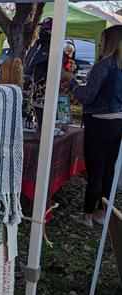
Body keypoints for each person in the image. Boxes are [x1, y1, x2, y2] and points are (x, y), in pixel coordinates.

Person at [63, 25, 122, 227]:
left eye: (103, 40)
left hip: (99, 123)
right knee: (108, 169)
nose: (100, 44)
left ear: (111, 42)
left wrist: (72, 82)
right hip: (118, 123)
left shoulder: (104, 65)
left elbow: (86, 96)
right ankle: (101, 212)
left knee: (95, 170)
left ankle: (87, 215)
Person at [24, 17, 53, 91]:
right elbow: (28, 63)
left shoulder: (52, 47)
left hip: (40, 87)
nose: (43, 31)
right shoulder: (37, 44)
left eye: (47, 30)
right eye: (44, 29)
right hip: (28, 83)